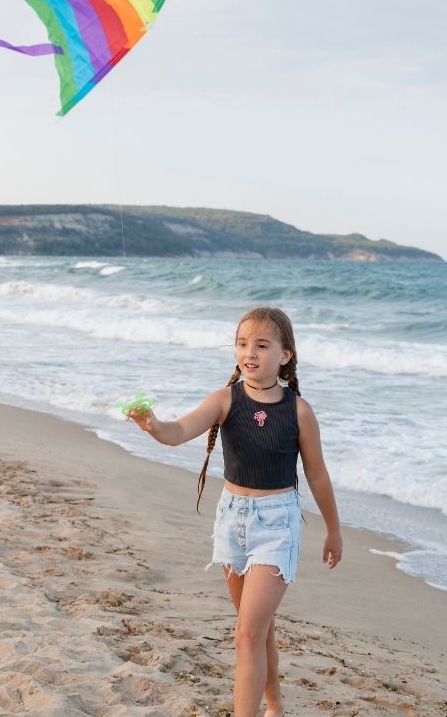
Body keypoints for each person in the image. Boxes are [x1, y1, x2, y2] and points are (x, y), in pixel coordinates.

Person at [125, 306, 342, 717]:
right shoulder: (226, 399)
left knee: (247, 633)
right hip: (232, 520)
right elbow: (179, 431)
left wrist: (334, 530)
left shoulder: (298, 411)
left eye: (262, 345)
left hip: (277, 523)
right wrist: (152, 425)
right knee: (259, 630)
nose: (250, 353)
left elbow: (317, 475)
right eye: (243, 344)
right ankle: (275, 706)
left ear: (285, 355)